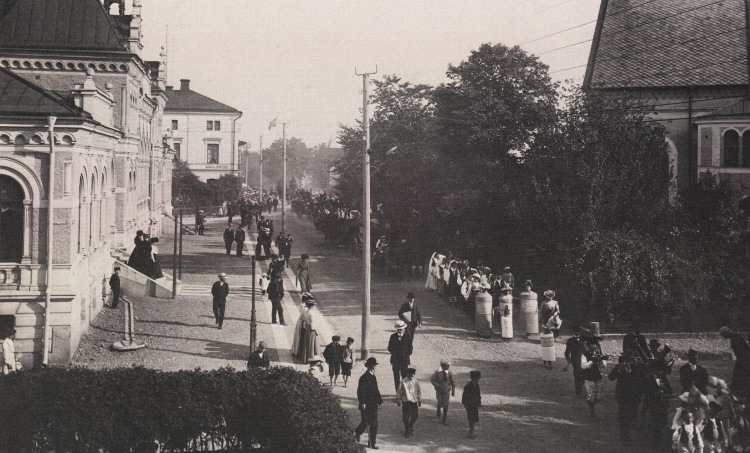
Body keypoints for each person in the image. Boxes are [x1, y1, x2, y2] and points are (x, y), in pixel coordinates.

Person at [608, 350, 646, 444]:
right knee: (624, 415)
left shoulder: (638, 368)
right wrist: (618, 371)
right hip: (623, 396)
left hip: (634, 396)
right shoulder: (619, 367)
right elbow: (610, 377)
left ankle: (629, 431)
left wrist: (641, 394)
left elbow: (643, 381)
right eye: (626, 358)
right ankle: (625, 436)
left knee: (632, 414)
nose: (628, 361)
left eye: (630, 358)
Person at [355, 357, 383, 449]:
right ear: (371, 367)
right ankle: (357, 432)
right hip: (366, 404)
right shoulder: (363, 378)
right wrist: (362, 402)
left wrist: (380, 401)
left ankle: (372, 442)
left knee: (374, 424)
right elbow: (360, 391)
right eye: (374, 366)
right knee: (365, 422)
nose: (375, 367)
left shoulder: (373, 377)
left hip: (373, 404)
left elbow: (376, 390)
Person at [719, 326, 750, 401]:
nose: (724, 337)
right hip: (743, 359)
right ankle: (740, 389)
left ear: (726, 334)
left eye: (723, 335)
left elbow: (743, 351)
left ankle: (741, 390)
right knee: (739, 374)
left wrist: (742, 360)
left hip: (744, 359)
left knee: (741, 374)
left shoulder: (735, 339)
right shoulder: (737, 337)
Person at [581, 337, 607, 419]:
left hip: (598, 377)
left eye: (595, 345)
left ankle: (591, 404)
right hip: (589, 378)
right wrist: (593, 361)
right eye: (592, 345)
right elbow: (583, 366)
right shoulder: (584, 354)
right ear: (588, 346)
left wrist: (601, 361)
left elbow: (604, 366)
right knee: (591, 396)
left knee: (599, 397)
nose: (594, 346)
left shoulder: (598, 354)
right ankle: (592, 413)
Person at [388, 320, 413, 392]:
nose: (399, 330)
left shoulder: (408, 337)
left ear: (404, 329)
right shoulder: (392, 337)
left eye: (400, 329)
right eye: (398, 329)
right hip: (395, 360)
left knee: (405, 377)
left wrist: (404, 354)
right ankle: (398, 394)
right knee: (396, 378)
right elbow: (390, 348)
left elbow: (410, 349)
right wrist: (396, 353)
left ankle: (405, 393)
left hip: (404, 361)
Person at [397, 367, 421, 438]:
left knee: (415, 416)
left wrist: (419, 400)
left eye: (412, 375)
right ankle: (407, 431)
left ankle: (410, 425)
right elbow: (399, 391)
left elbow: (419, 391)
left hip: (414, 402)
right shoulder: (403, 382)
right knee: (406, 417)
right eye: (410, 375)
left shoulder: (416, 382)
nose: (411, 377)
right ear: (407, 374)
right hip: (406, 402)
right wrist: (399, 400)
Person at [299, 295, 323, 364]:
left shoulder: (306, 312)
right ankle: (312, 356)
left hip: (307, 327)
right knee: (312, 342)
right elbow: (313, 323)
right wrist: (316, 331)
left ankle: (306, 357)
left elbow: (304, 320)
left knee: (307, 342)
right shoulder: (312, 313)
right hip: (311, 328)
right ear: (312, 306)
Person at [431, 359, 456, 425]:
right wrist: (438, 385)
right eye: (447, 365)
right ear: (442, 365)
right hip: (439, 391)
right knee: (440, 402)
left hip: (446, 391)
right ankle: (438, 413)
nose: (448, 366)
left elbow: (452, 382)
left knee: (446, 405)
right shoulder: (437, 372)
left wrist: (453, 390)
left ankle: (444, 418)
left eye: (448, 365)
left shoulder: (449, 373)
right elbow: (432, 380)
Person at [563, 325, 586, 398]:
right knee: (577, 376)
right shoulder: (570, 341)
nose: (577, 335)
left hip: (584, 360)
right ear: (573, 333)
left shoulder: (584, 341)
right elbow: (566, 352)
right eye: (576, 333)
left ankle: (580, 388)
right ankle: (578, 392)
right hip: (575, 361)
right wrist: (568, 359)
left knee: (585, 375)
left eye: (578, 333)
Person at [462, 370, 482, 439]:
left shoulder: (477, 386)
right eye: (478, 378)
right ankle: (471, 432)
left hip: (475, 405)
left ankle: (472, 431)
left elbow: (479, 395)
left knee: (474, 419)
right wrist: (466, 405)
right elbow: (464, 397)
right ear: (475, 378)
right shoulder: (467, 386)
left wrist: (479, 403)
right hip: (470, 405)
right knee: (471, 419)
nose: (478, 379)